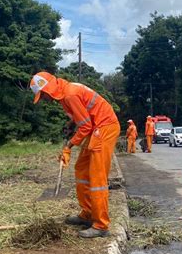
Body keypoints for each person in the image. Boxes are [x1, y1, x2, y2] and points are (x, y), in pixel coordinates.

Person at [30, 71, 120, 238]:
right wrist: (71, 124)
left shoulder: (70, 94)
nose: (44, 100)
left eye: (42, 96)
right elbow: (83, 117)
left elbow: (85, 127)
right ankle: (87, 214)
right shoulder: (65, 94)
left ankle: (101, 225)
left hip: (104, 128)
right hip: (96, 128)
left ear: (47, 90)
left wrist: (69, 145)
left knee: (97, 178)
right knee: (81, 169)